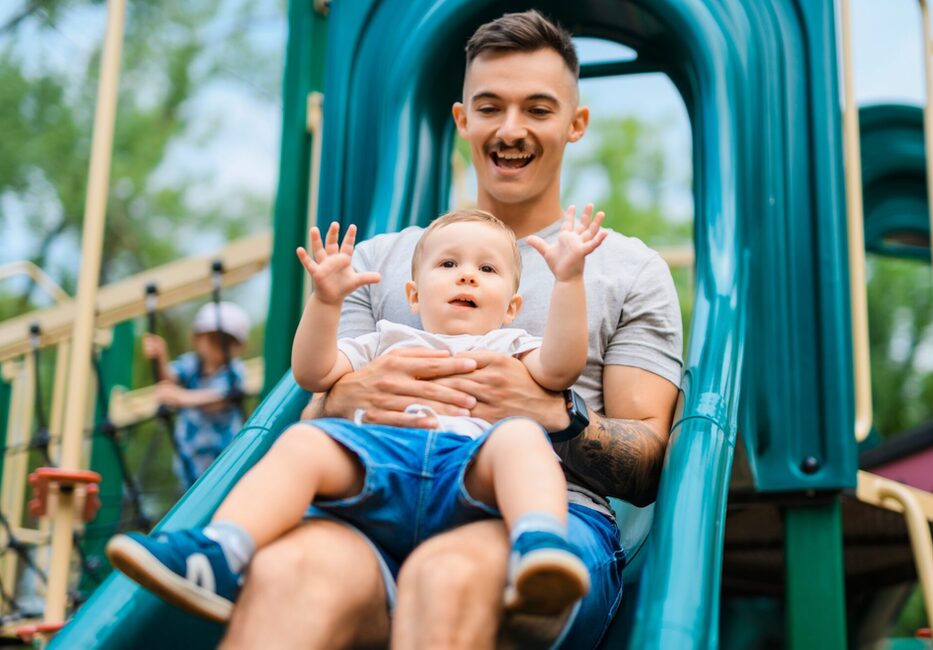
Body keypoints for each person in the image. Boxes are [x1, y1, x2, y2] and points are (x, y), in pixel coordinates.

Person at [223, 10, 682, 650]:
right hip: (374, 498)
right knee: (288, 575)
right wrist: (352, 394)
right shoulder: (376, 261)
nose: (511, 129)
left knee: (447, 576)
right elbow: (313, 413)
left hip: (546, 515)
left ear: (575, 124)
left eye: (538, 109)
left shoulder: (625, 268)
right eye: (490, 107)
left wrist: (553, 413)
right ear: (463, 119)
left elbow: (650, 462)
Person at [106, 207, 607, 623]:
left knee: (521, 438)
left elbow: (561, 368)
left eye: (488, 270)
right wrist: (326, 302)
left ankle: (537, 544)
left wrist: (569, 279)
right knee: (304, 441)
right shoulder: (386, 339)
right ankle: (221, 552)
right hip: (381, 464)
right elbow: (314, 373)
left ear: (512, 307)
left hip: (469, 471)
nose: (467, 275)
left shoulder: (510, 344)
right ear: (413, 295)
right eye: (448, 263)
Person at [142, 301, 250, 489]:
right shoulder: (192, 364)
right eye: (213, 339)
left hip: (224, 462)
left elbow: (219, 399)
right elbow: (168, 378)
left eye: (227, 341)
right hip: (189, 463)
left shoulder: (234, 371)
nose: (219, 346)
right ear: (197, 339)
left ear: (239, 347)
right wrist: (160, 356)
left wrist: (180, 397)